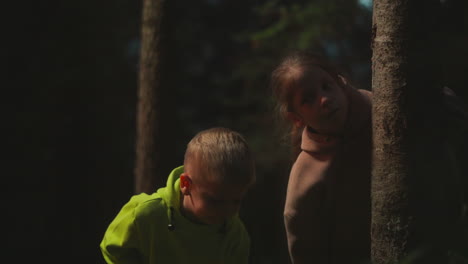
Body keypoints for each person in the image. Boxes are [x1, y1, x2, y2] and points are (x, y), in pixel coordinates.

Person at [271, 51, 372, 264]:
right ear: (296, 118)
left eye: (326, 87)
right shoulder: (306, 175)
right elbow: (305, 247)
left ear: (340, 82)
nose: (324, 100)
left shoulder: (381, 108)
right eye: (308, 99)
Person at [100, 127, 256, 264]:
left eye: (236, 201)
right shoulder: (145, 214)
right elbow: (113, 248)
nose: (227, 211)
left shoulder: (235, 235)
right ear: (186, 185)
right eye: (215, 201)